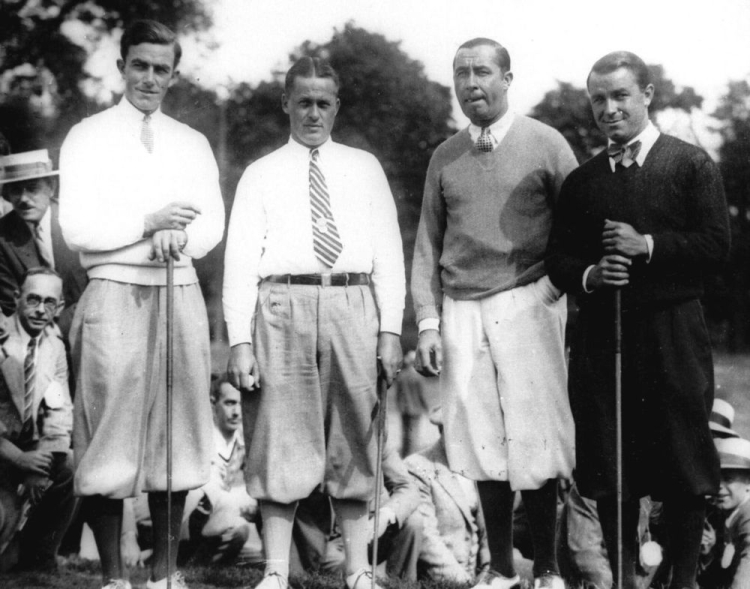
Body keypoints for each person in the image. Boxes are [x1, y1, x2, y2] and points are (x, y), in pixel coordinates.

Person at [546, 51, 730, 589]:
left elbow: (716, 246)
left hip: (674, 331)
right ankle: (624, 580)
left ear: (646, 95)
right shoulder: (582, 182)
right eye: (598, 99)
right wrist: (592, 274)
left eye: (620, 95)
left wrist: (646, 244)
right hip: (603, 336)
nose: (609, 109)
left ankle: (682, 580)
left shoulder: (689, 164)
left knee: (684, 457)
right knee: (611, 461)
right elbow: (557, 259)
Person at [223, 56, 405, 589]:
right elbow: (239, 262)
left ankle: (358, 570)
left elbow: (389, 253)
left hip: (352, 301)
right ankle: (275, 571)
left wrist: (390, 329)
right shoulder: (260, 173)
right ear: (286, 103)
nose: (313, 113)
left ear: (337, 107)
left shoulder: (363, 167)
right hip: (283, 303)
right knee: (277, 432)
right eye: (303, 102)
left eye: (323, 103)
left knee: (354, 434)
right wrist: (239, 341)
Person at [58, 19, 225, 589]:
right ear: (121, 66)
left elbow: (211, 224)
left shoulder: (191, 141)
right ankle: (113, 578)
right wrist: (148, 222)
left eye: (161, 69)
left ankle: (163, 574)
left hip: (178, 290)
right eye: (140, 66)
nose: (150, 78)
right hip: (113, 292)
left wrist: (181, 235)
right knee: (108, 430)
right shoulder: (88, 135)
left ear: (174, 75)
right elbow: (77, 226)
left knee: (176, 434)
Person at [411, 37, 577, 589]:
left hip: (529, 302)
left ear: (507, 78)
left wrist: (552, 287)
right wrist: (428, 322)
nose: (471, 83)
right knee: (482, 441)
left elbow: (578, 224)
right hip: (462, 308)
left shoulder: (545, 143)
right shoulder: (445, 155)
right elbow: (428, 243)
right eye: (461, 73)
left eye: (482, 71)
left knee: (536, 437)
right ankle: (501, 569)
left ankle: (548, 569)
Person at [0, 268, 75, 571]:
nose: (41, 309)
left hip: (28, 451)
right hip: (5, 453)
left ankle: (40, 556)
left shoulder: (54, 347)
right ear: (17, 297)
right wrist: (21, 459)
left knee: (69, 466)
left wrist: (42, 462)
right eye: (33, 299)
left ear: (59, 307)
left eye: (49, 302)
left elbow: (58, 409)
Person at [291, 438, 422, 581]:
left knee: (412, 522)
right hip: (327, 545)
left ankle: (401, 584)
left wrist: (385, 515)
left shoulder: (374, 438)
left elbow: (408, 487)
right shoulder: (310, 437)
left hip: (366, 531)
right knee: (354, 575)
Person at [0, 149, 87, 336]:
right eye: (16, 190)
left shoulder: (77, 219)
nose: (23, 199)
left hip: (85, 326)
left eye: (32, 189)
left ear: (51, 187)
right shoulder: (3, 236)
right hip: (34, 336)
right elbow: (11, 303)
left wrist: (60, 330)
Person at [404, 407, 491, 583]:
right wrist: (463, 582)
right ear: (442, 429)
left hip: (477, 577)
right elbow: (427, 538)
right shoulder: (417, 466)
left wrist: (488, 574)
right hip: (439, 579)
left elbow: (489, 534)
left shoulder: (480, 465)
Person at [181, 377, 261, 565]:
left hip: (231, 517)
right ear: (213, 403)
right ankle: (193, 555)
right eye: (230, 403)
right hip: (198, 521)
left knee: (257, 555)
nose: (237, 412)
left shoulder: (244, 441)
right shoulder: (202, 440)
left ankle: (211, 558)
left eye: (241, 404)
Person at [699, 437, 750, 589]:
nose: (719, 486)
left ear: (748, 481)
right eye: (715, 478)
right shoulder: (729, 513)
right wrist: (710, 552)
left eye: (728, 479)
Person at [393, 350, 431, 457]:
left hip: (404, 408)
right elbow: (422, 395)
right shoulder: (418, 377)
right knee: (413, 433)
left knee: (405, 432)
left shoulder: (401, 376)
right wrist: (427, 407)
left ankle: (405, 454)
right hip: (416, 408)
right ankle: (411, 455)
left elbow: (398, 394)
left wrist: (399, 405)